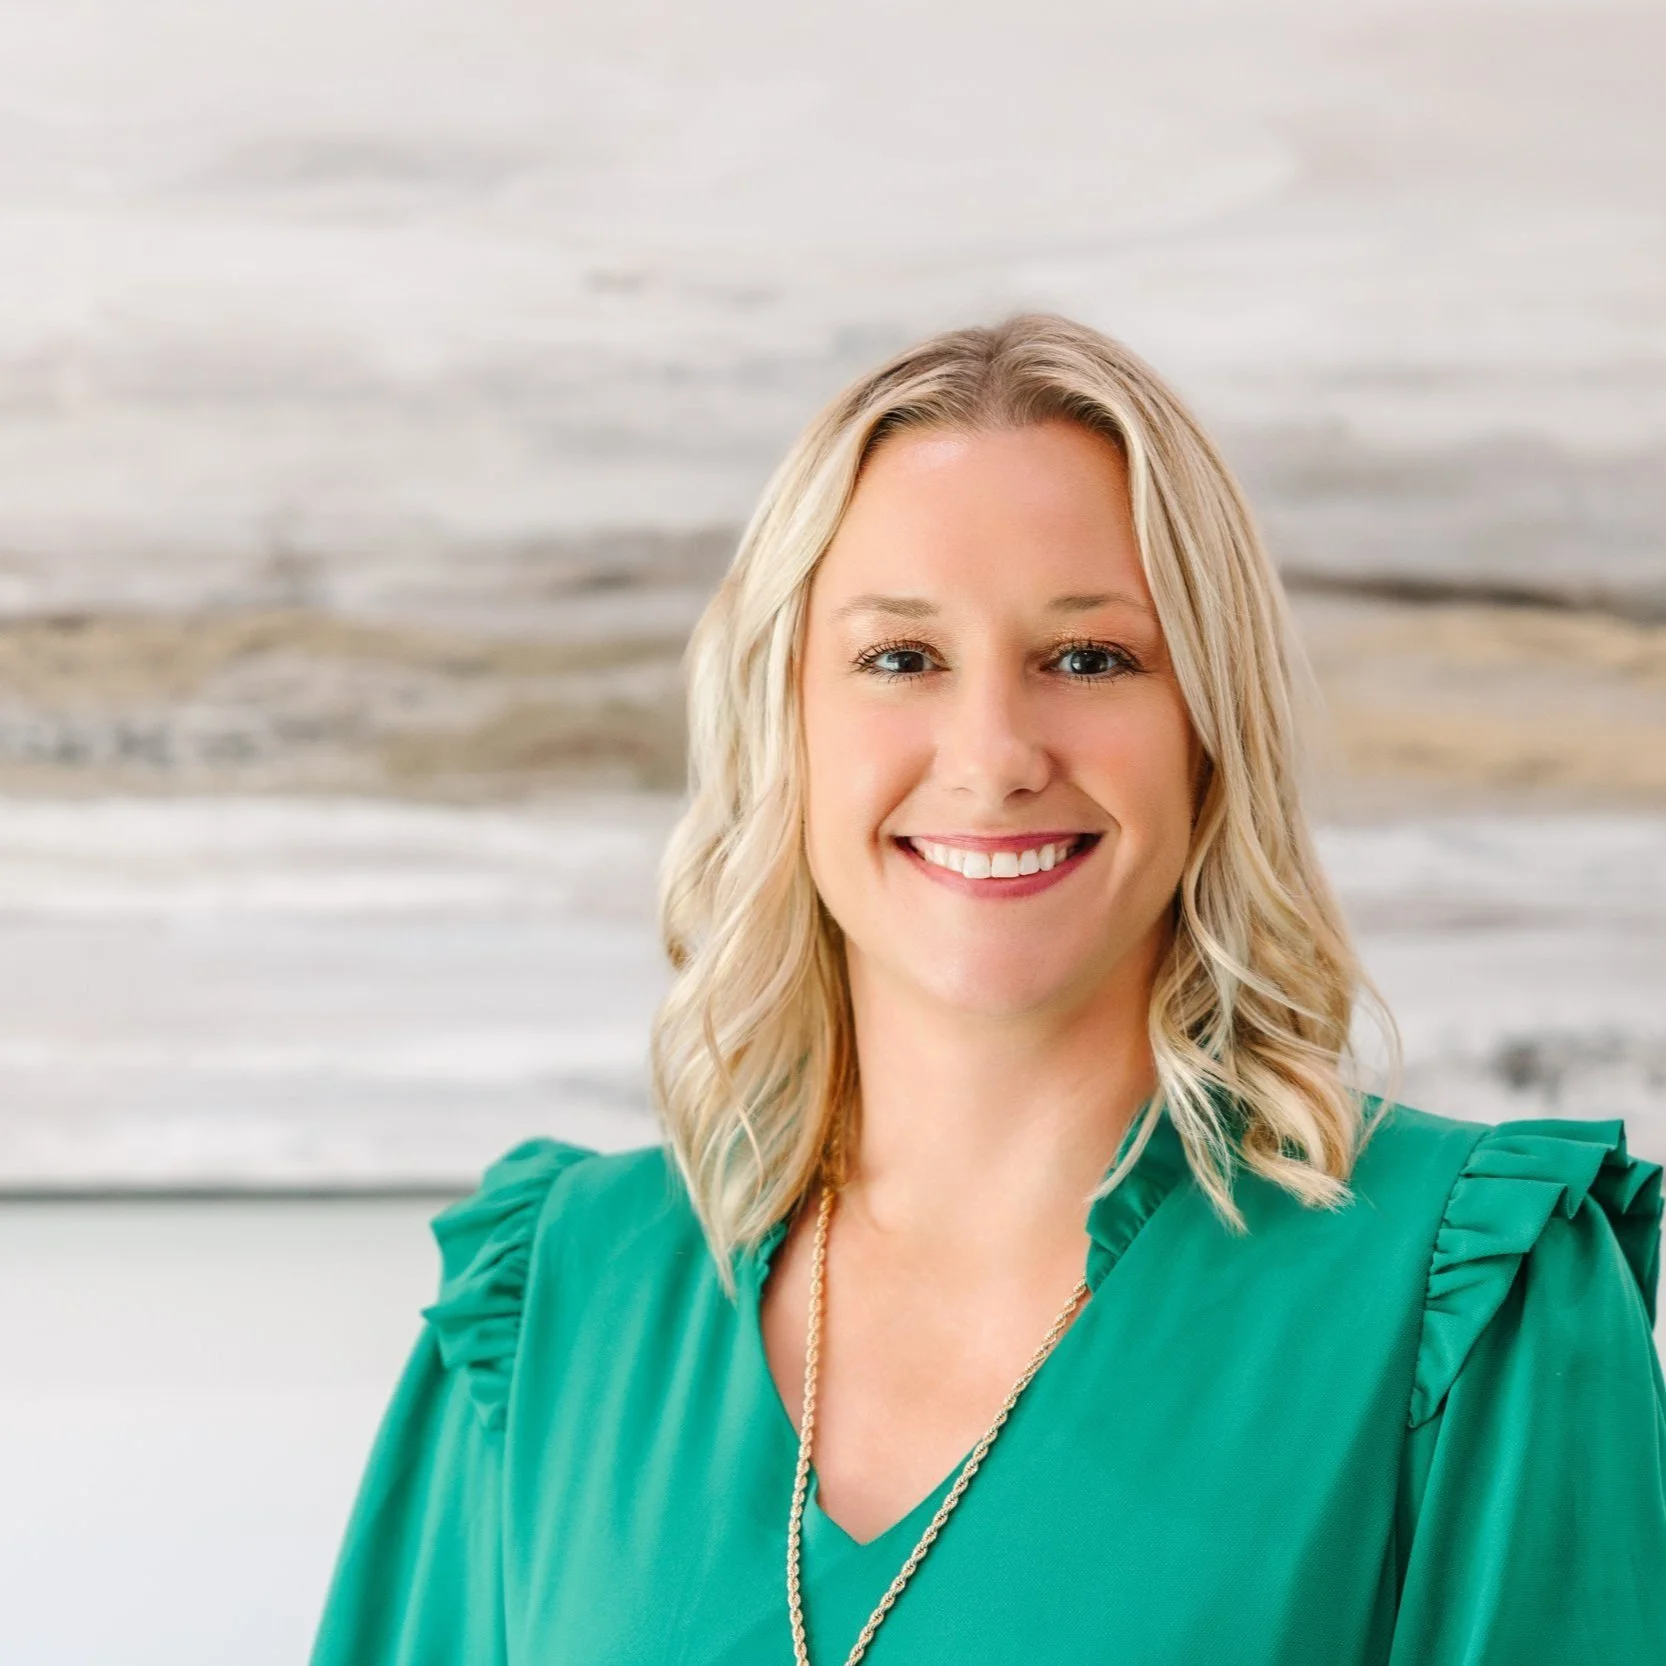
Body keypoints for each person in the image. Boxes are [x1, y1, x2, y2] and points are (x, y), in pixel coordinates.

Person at [308, 315, 1666, 1664]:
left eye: (1088, 658)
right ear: (783, 720)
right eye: (900, 658)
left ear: (1207, 727)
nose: (993, 752)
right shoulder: (556, 1300)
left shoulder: (1468, 1300)